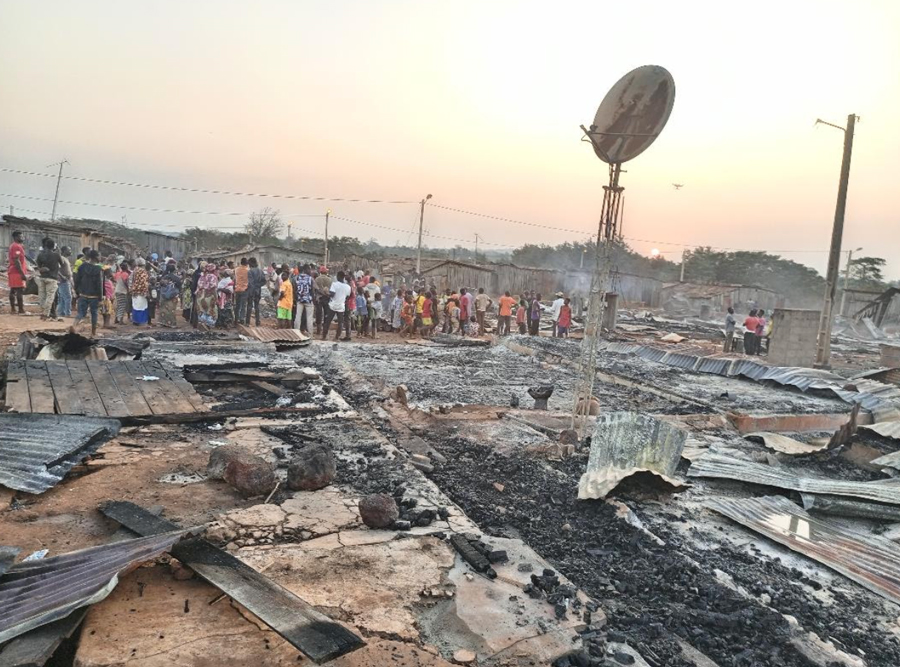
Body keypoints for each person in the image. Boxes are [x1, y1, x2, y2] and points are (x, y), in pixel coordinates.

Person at [72, 250, 103, 337]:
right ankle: (93, 333)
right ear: (96, 257)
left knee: (81, 313)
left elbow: (77, 280)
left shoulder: (82, 266)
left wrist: (77, 291)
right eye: (99, 256)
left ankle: (73, 326)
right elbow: (99, 284)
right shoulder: (98, 269)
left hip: (83, 294)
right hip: (94, 296)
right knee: (94, 313)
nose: (100, 257)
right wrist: (100, 298)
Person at [36, 238, 62, 320]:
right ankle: (46, 314)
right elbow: (62, 263)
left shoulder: (40, 255)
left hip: (43, 277)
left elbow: (38, 266)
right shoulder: (56, 255)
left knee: (42, 297)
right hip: (52, 278)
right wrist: (59, 252)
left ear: (45, 246)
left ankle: (43, 312)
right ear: (54, 246)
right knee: (50, 297)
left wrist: (42, 269)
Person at [322, 271, 352, 341]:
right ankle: (337, 337)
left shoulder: (334, 284)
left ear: (338, 276)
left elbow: (332, 294)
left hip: (333, 305)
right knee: (340, 323)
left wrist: (326, 293)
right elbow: (347, 297)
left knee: (328, 321)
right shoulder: (348, 287)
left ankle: (324, 336)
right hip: (341, 306)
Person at [7, 230, 28, 314]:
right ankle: (21, 309)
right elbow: (17, 260)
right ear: (16, 237)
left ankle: (13, 309)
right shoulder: (16, 246)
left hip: (13, 271)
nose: (22, 238)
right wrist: (22, 273)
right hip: (17, 272)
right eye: (21, 236)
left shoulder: (16, 246)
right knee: (19, 290)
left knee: (13, 290)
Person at [196, 263, 219, 327]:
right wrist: (216, 298)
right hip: (208, 297)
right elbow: (213, 289)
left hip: (200, 297)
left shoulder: (202, 276)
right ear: (214, 270)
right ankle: (209, 328)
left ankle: (202, 326)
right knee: (211, 312)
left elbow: (198, 287)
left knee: (202, 312)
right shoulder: (213, 277)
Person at [130, 258, 151, 326]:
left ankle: (135, 320)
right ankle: (140, 321)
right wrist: (146, 291)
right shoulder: (142, 271)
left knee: (135, 305)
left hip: (134, 290)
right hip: (140, 291)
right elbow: (143, 282)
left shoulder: (135, 270)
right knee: (141, 306)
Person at [294, 265, 314, 334]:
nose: (310, 271)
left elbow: (295, 289)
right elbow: (312, 290)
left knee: (298, 316)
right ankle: (310, 334)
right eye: (309, 269)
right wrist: (312, 299)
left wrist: (298, 297)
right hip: (308, 300)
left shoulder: (297, 278)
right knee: (309, 318)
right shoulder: (310, 278)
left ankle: (296, 332)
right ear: (306, 269)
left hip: (299, 300)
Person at [246, 257, 265, 326]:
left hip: (251, 291)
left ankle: (247, 322)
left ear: (251, 263)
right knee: (257, 306)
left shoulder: (250, 271)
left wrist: (253, 288)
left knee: (249, 306)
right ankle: (257, 322)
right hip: (258, 291)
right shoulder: (260, 271)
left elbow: (250, 283)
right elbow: (264, 281)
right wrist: (258, 286)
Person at [314, 266, 332, 334]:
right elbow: (331, 289)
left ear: (320, 272)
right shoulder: (329, 279)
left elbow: (315, 289)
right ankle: (325, 329)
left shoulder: (317, 279)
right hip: (327, 298)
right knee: (326, 313)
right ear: (326, 272)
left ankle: (318, 330)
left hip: (319, 298)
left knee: (319, 313)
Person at [57, 246, 74, 317]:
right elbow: (57, 268)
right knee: (68, 297)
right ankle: (68, 313)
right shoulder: (62, 258)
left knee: (62, 298)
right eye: (69, 250)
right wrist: (62, 276)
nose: (70, 251)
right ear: (64, 251)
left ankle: (61, 313)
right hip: (64, 280)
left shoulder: (65, 259)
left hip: (66, 280)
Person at [234, 257, 249, 324]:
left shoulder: (236, 269)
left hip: (237, 289)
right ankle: (242, 319)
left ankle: (236, 319)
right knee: (243, 305)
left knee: (237, 305)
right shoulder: (248, 270)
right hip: (244, 289)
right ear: (246, 263)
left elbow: (234, 279)